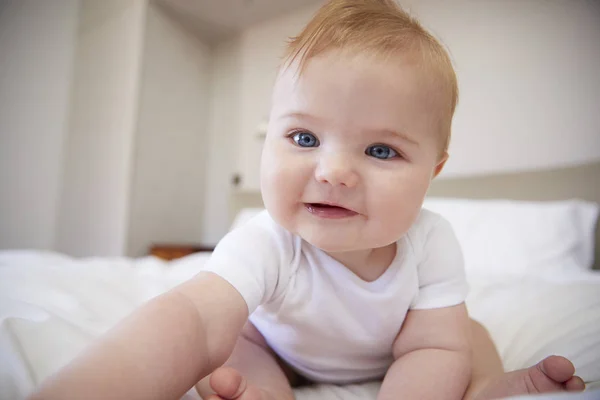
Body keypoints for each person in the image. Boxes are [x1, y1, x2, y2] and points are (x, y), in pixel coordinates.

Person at [30, 1, 586, 399]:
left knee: (466, 335)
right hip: (279, 349)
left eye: (380, 149)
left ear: (432, 173)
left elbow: (428, 352)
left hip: (391, 353)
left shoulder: (431, 243)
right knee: (233, 343)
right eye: (304, 138)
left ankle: (487, 389)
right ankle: (270, 392)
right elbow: (197, 321)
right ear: (269, 139)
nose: (334, 172)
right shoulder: (266, 241)